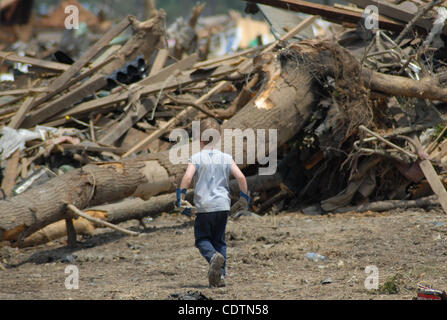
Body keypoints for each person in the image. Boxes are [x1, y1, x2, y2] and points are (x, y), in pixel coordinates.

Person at [176, 117, 249, 287]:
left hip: (204, 207)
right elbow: (240, 177)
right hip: (223, 205)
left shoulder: (196, 158)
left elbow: (187, 177)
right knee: (219, 241)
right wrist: (244, 197)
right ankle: (220, 276)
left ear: (199, 139)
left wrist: (180, 196)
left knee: (202, 239)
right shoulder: (226, 157)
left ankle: (212, 257)